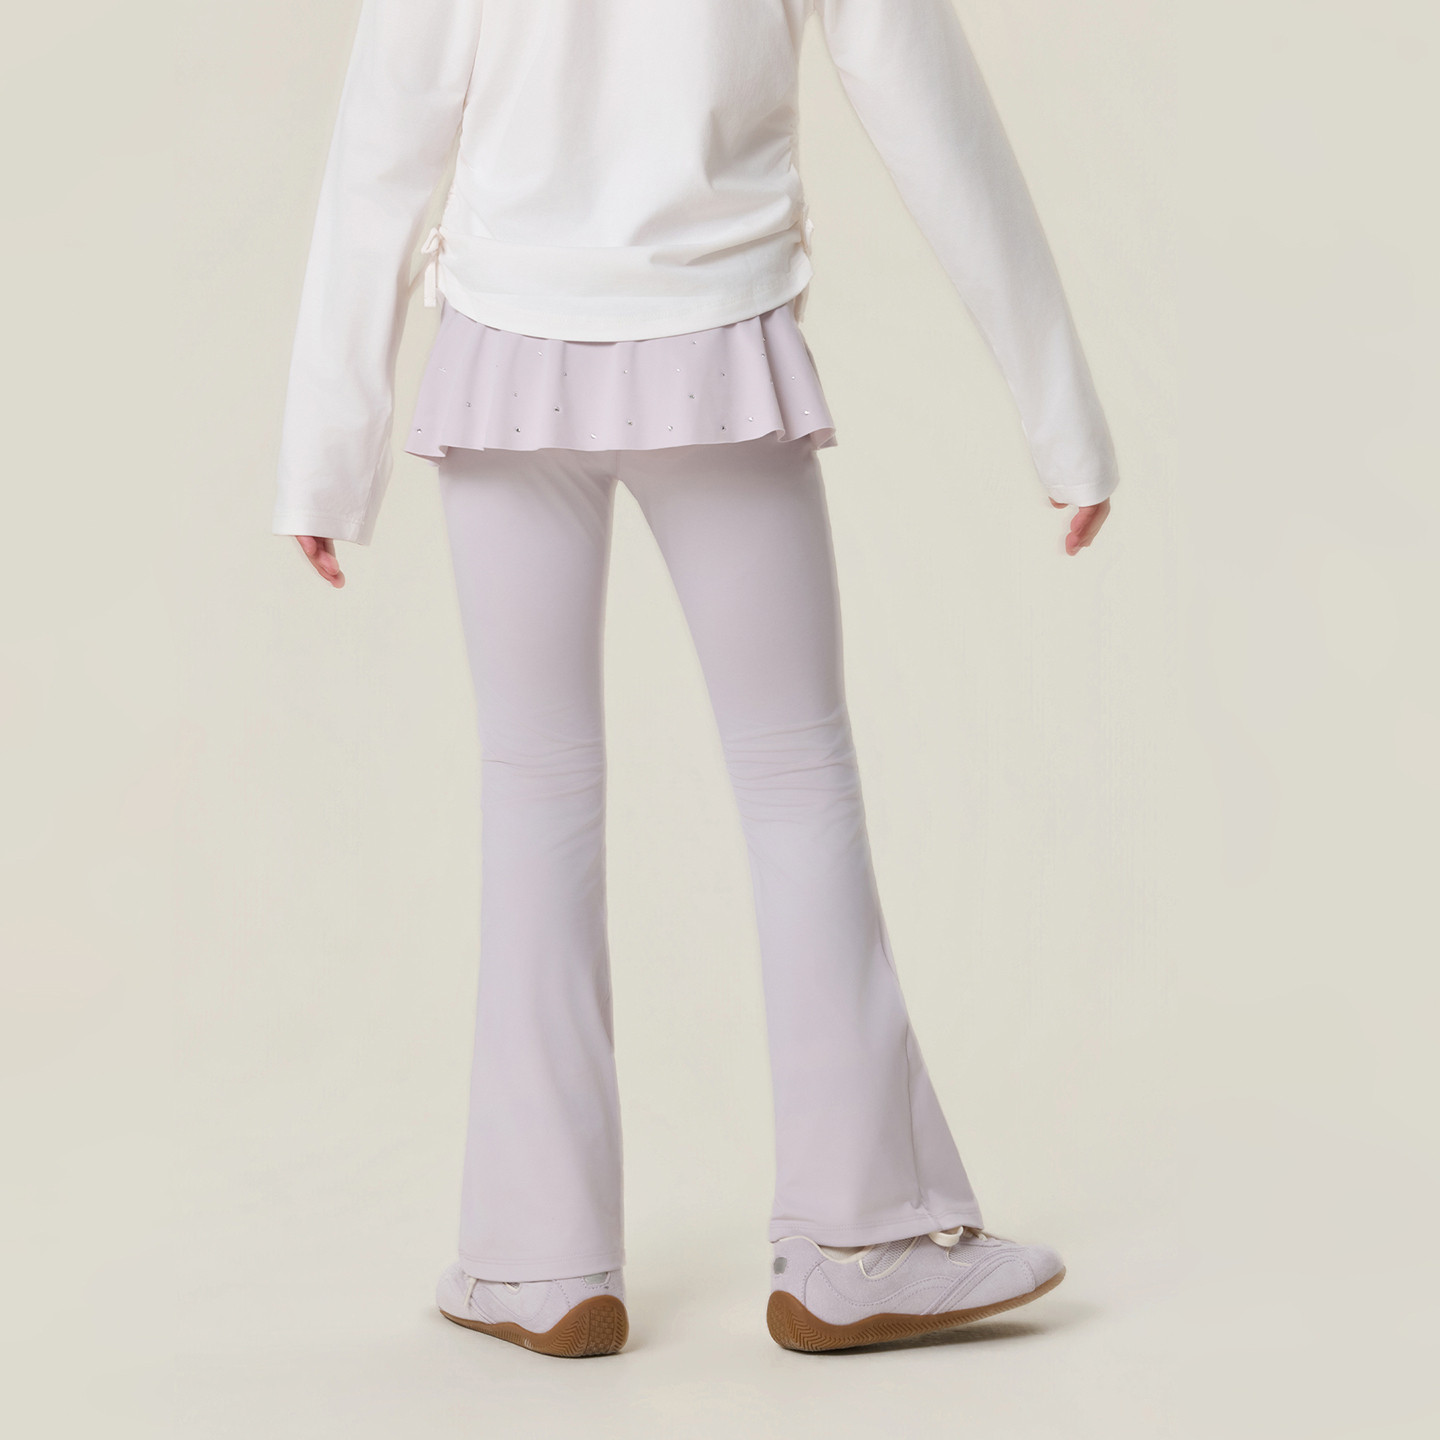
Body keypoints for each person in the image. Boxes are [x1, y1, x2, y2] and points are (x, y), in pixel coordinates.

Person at [273, 0, 1117, 1357]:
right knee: (796, 779)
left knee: (535, 790)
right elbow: (934, 116)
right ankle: (864, 1241)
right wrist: (1061, 421)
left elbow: (386, 136)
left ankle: (536, 1266)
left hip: (504, 349)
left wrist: (324, 460)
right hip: (717, 343)